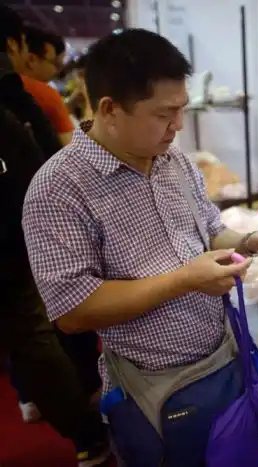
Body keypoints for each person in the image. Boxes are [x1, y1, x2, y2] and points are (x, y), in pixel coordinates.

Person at [22, 28, 258, 465]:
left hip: (225, 359)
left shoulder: (174, 162)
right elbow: (73, 312)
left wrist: (254, 241)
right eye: (164, 114)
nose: (178, 125)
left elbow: (210, 231)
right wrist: (183, 281)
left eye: (182, 109)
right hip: (153, 387)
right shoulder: (58, 189)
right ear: (109, 109)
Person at [0, 5, 111, 466]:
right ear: (17, 46)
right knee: (41, 329)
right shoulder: (31, 97)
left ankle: (39, 397)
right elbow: (59, 157)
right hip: (18, 237)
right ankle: (87, 428)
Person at [0, 7, 61, 159]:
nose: (56, 70)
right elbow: (55, 155)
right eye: (54, 63)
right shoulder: (14, 91)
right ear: (12, 44)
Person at [21, 26, 74, 145]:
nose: (57, 71)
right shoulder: (45, 93)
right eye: (55, 64)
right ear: (32, 59)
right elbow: (71, 148)